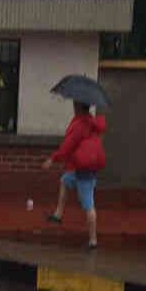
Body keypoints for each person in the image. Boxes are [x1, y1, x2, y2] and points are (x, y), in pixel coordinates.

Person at [43, 102, 107, 250]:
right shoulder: (91, 122)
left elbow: (68, 145)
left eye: (75, 103)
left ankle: (93, 241)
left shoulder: (80, 124)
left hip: (83, 171)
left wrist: (53, 159)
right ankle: (58, 214)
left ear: (78, 106)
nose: (73, 105)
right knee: (65, 180)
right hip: (83, 167)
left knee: (88, 205)